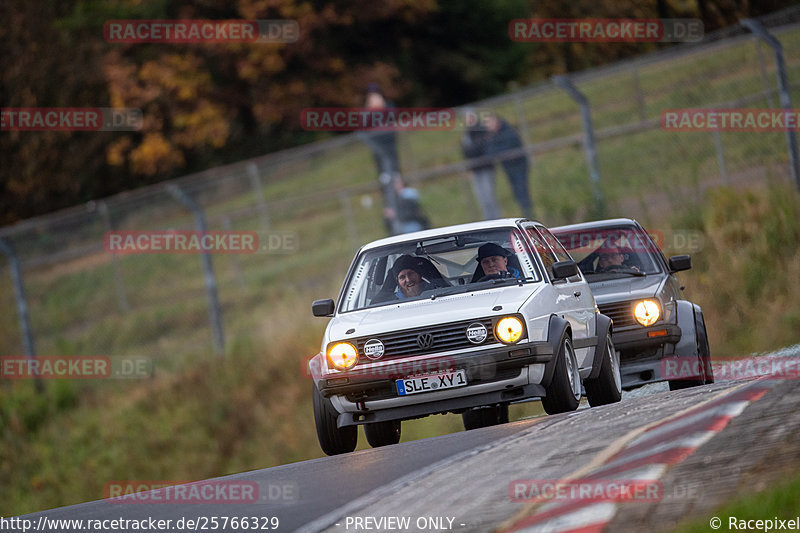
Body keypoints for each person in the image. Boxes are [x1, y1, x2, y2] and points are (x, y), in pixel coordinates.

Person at [358, 83, 401, 234]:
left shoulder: (387, 109)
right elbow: (363, 131)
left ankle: (400, 226)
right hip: (381, 162)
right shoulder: (367, 115)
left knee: (397, 190)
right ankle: (392, 230)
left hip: (393, 159)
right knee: (387, 196)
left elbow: (393, 124)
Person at [483, 113, 534, 219]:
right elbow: (490, 153)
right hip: (508, 168)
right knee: (516, 193)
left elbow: (508, 149)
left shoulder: (508, 132)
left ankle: (529, 215)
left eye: (490, 122)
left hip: (519, 166)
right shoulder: (492, 136)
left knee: (522, 191)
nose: (488, 126)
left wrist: (499, 151)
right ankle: (526, 215)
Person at [461, 110, 501, 220]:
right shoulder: (467, 134)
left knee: (489, 197)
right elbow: (466, 152)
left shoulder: (481, 130)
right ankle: (488, 221)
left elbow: (482, 148)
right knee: (482, 199)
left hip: (485, 168)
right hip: (475, 169)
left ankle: (496, 220)